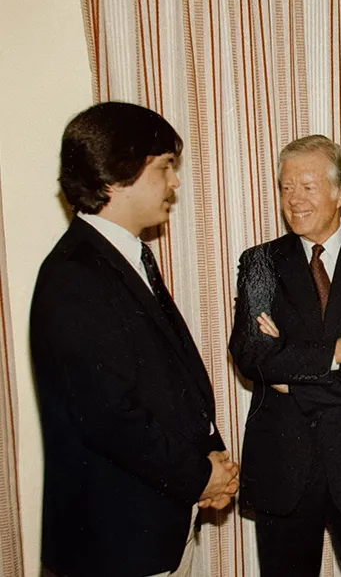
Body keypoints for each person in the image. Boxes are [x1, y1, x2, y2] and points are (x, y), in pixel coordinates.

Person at [30, 102, 239, 577]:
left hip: (156, 527)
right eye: (165, 167)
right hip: (113, 545)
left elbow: (170, 378)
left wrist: (211, 460)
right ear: (116, 174)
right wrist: (199, 477)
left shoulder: (123, 258)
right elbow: (109, 415)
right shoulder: (74, 274)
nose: (175, 183)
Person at [229, 135, 341, 577]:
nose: (294, 200)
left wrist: (290, 377)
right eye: (286, 187)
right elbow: (252, 356)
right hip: (283, 467)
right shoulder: (260, 264)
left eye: (307, 187)